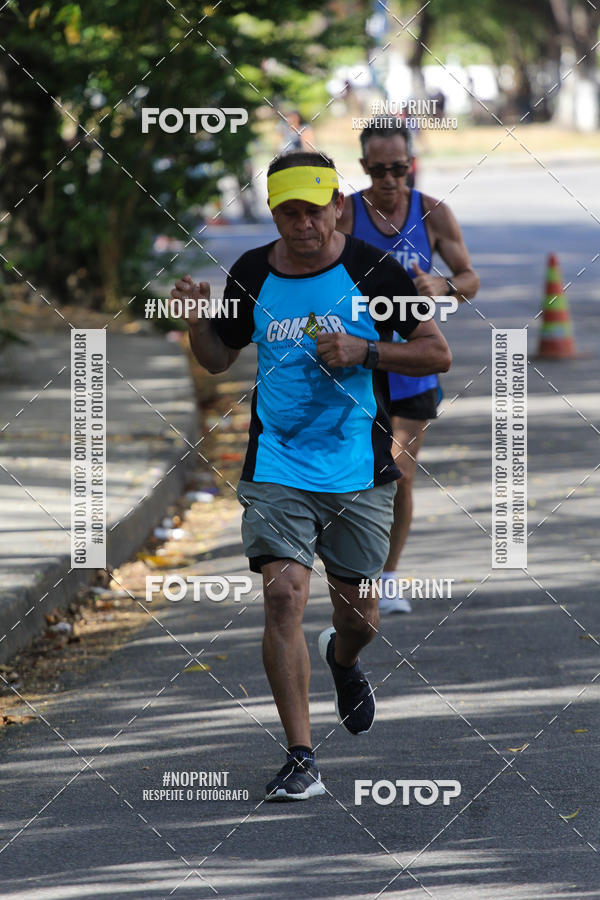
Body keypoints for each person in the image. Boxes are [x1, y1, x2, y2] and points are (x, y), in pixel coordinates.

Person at [171, 150, 451, 801]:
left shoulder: (371, 268)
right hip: (279, 464)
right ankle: (301, 756)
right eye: (287, 213)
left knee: (360, 617)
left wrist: (366, 350)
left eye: (313, 211)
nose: (301, 225)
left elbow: (437, 350)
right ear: (274, 213)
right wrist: (197, 324)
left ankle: (343, 659)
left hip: (358, 467)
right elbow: (217, 359)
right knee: (283, 595)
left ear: (336, 208)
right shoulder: (251, 272)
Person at [337, 119, 479, 613]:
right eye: (380, 170)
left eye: (400, 168)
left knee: (400, 473)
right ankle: (351, 571)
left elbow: (469, 278)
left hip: (413, 362)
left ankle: (387, 576)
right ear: (364, 169)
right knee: (354, 469)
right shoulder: (345, 214)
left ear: (411, 164)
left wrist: (443, 287)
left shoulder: (433, 213)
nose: (391, 179)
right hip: (356, 364)